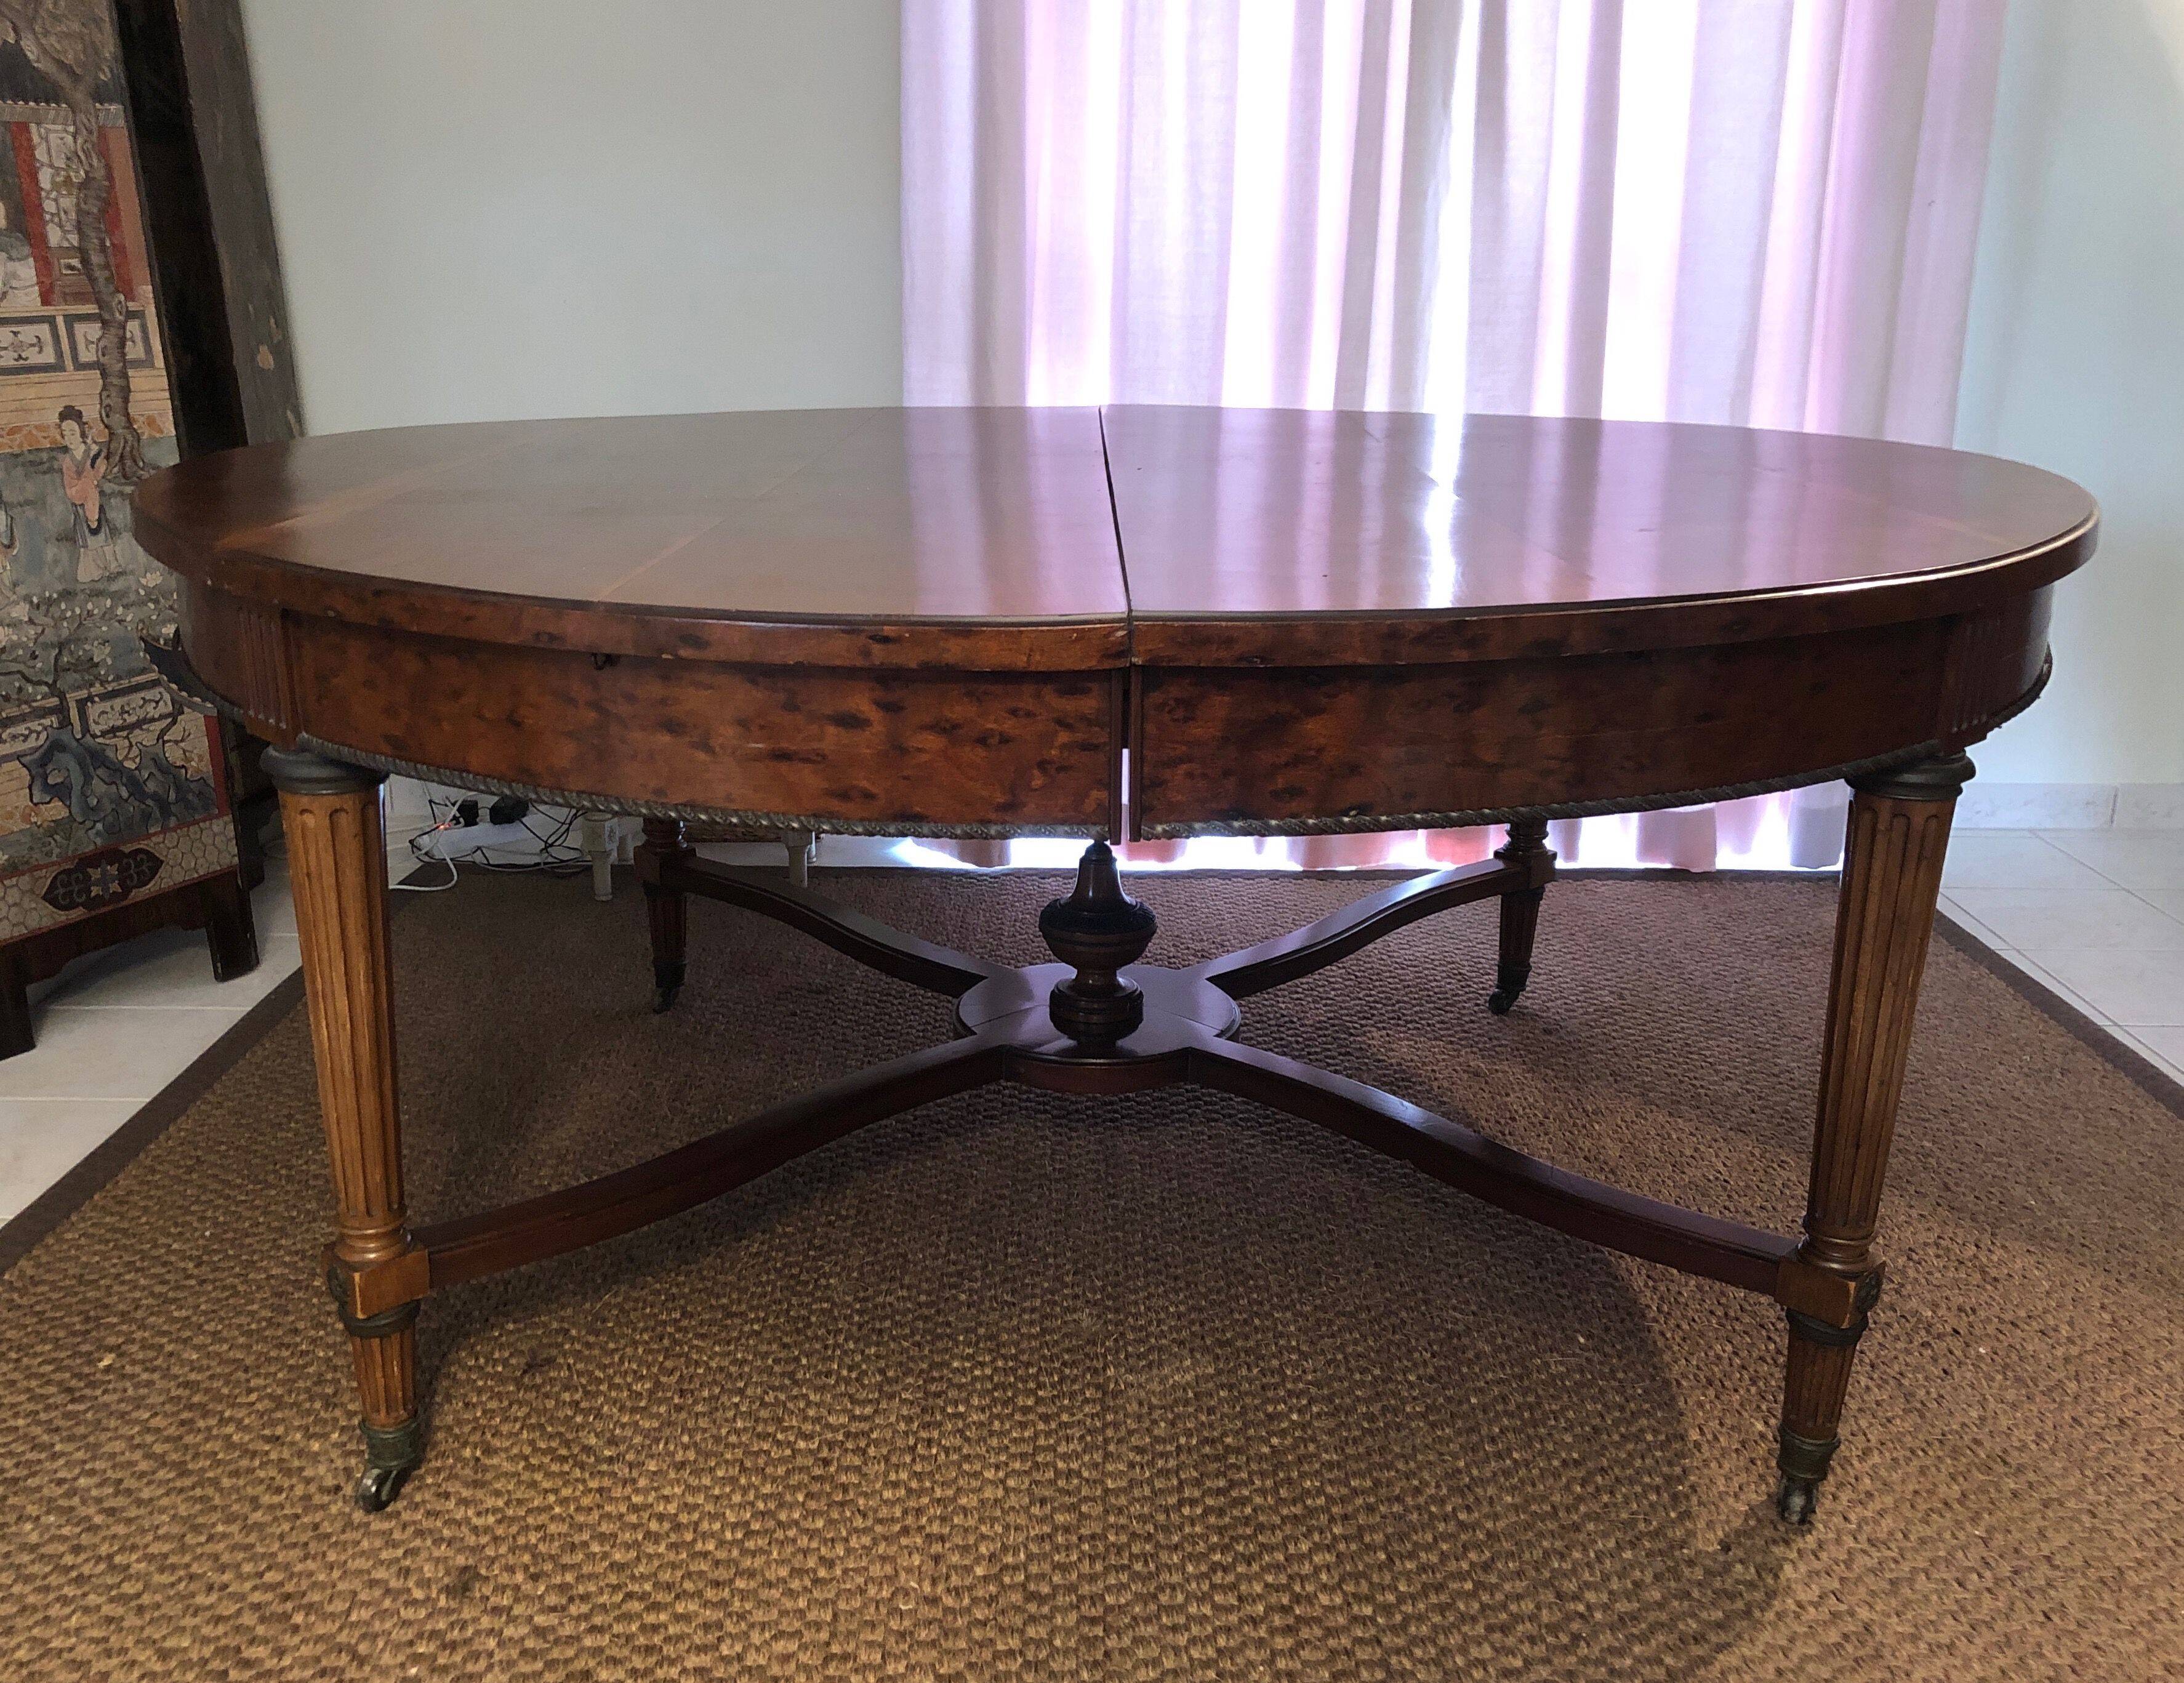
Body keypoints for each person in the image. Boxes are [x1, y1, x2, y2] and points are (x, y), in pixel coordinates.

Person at [57, 403, 115, 583]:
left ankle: (111, 565)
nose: (69, 438)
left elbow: (101, 466)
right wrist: (86, 483)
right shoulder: (68, 461)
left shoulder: (90, 450)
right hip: (79, 499)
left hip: (94, 499)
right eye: (65, 434)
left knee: (102, 535)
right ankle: (93, 572)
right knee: (88, 541)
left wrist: (95, 476)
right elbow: (70, 486)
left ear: (81, 432)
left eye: (73, 433)